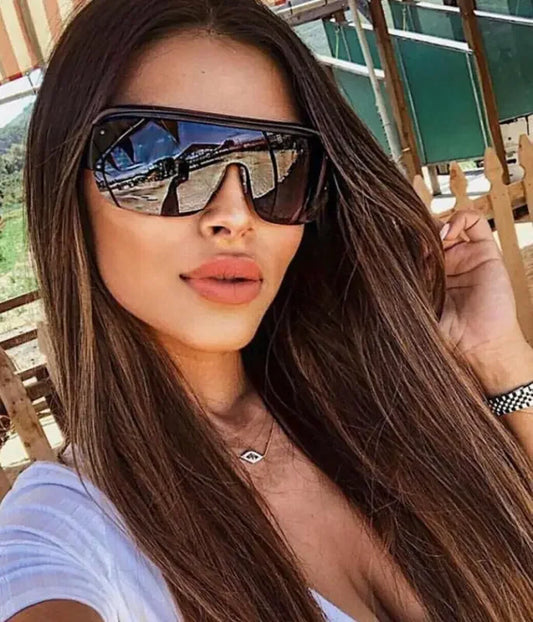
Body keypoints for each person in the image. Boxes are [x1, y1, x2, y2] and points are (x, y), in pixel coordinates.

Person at [0, 0, 531, 620]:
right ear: (69, 191)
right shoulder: (68, 532)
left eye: (277, 164)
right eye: (161, 161)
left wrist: (501, 361)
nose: (235, 215)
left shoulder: (382, 400)